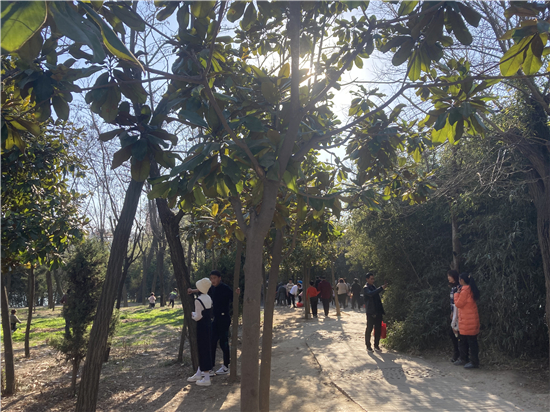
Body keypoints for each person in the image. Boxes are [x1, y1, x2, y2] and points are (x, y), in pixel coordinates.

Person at [188, 270, 240, 376]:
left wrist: (237, 294)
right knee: (212, 341)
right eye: (211, 278)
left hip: (224, 318)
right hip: (215, 319)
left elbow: (234, 297)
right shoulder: (211, 289)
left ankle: (226, 366)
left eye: (214, 278)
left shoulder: (225, 288)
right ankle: (210, 367)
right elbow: (202, 289)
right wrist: (192, 291)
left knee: (223, 342)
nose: (213, 280)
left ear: (219, 278)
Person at [187, 278, 213, 386]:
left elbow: (198, 316)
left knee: (202, 349)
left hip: (201, 327)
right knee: (206, 348)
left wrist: (192, 315)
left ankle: (206, 378)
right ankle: (199, 372)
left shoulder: (198, 300)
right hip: (209, 325)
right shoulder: (209, 298)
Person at [453, 273, 481, 369]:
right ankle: (470, 360)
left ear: (461, 280)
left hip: (467, 321)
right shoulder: (471, 289)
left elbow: (458, 304)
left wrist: (456, 294)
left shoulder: (464, 290)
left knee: (467, 341)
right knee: (470, 341)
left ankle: (471, 361)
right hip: (470, 320)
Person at [364, 272, 387, 352]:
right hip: (371, 312)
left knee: (378, 329)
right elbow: (371, 294)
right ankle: (368, 345)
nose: (373, 280)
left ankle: (376, 345)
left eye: (373, 279)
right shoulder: (366, 288)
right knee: (369, 328)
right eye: (371, 279)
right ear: (367, 279)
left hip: (377, 311)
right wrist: (381, 288)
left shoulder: (373, 287)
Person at [447, 270, 460, 362]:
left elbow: (457, 303)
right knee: (454, 334)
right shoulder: (453, 288)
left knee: (455, 334)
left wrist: (455, 314)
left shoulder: (458, 288)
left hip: (458, 314)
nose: (448, 278)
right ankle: (457, 353)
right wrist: (452, 312)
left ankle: (458, 354)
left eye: (449, 276)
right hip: (454, 313)